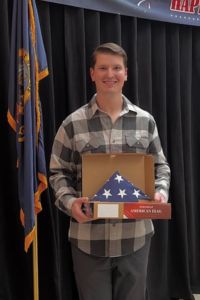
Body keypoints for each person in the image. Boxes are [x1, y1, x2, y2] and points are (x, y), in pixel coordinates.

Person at [49, 42, 170, 300]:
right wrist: (70, 204)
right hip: (88, 241)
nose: (110, 74)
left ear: (126, 73)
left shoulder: (145, 121)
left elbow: (161, 166)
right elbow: (57, 173)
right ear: (92, 73)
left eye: (116, 68)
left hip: (135, 238)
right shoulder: (72, 124)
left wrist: (160, 193)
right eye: (103, 68)